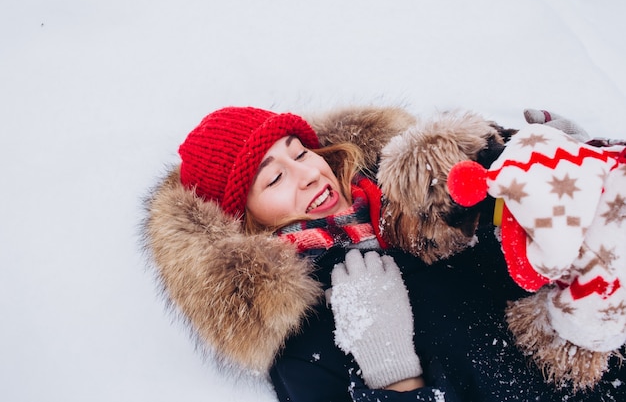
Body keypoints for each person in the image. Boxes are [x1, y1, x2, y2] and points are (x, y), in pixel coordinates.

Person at [141, 105, 626, 402]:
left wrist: (565, 195)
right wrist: (393, 376)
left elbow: (543, 273)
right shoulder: (301, 341)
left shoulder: (422, 206)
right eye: (273, 178)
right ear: (243, 224)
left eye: (300, 152)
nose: (307, 173)